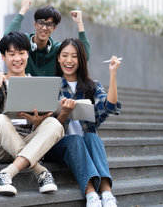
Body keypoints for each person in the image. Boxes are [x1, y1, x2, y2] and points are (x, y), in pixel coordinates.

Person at [0, 31, 64, 196]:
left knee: (55, 124)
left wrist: (38, 122)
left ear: (27, 55)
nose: (17, 59)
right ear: (3, 57)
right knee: (1, 119)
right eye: (12, 54)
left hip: (26, 142)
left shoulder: (36, 85)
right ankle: (40, 171)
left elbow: (43, 128)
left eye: (21, 53)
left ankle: (7, 174)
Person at [44, 38, 121, 207]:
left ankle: (107, 195)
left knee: (92, 137)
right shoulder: (50, 86)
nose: (69, 60)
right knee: (75, 140)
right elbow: (45, 129)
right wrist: (64, 113)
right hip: (57, 146)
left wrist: (113, 74)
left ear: (81, 60)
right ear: (58, 58)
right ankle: (91, 195)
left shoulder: (91, 86)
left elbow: (108, 107)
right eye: (65, 55)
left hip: (85, 143)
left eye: (74, 56)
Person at [4, 0, 91, 76]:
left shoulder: (58, 49)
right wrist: (23, 10)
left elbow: (84, 56)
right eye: (41, 23)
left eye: (49, 24)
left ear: (54, 28)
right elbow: (7, 40)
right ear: (35, 24)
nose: (44, 28)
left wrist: (80, 23)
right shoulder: (24, 42)